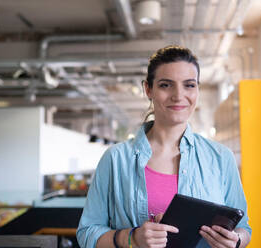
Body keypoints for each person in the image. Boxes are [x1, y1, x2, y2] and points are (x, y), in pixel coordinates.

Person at [77, 45, 251, 248]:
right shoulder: (116, 159)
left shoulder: (221, 158)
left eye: (189, 85)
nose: (178, 95)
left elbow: (244, 229)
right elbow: (87, 234)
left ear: (197, 90)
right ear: (148, 89)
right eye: (166, 85)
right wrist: (132, 238)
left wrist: (236, 240)